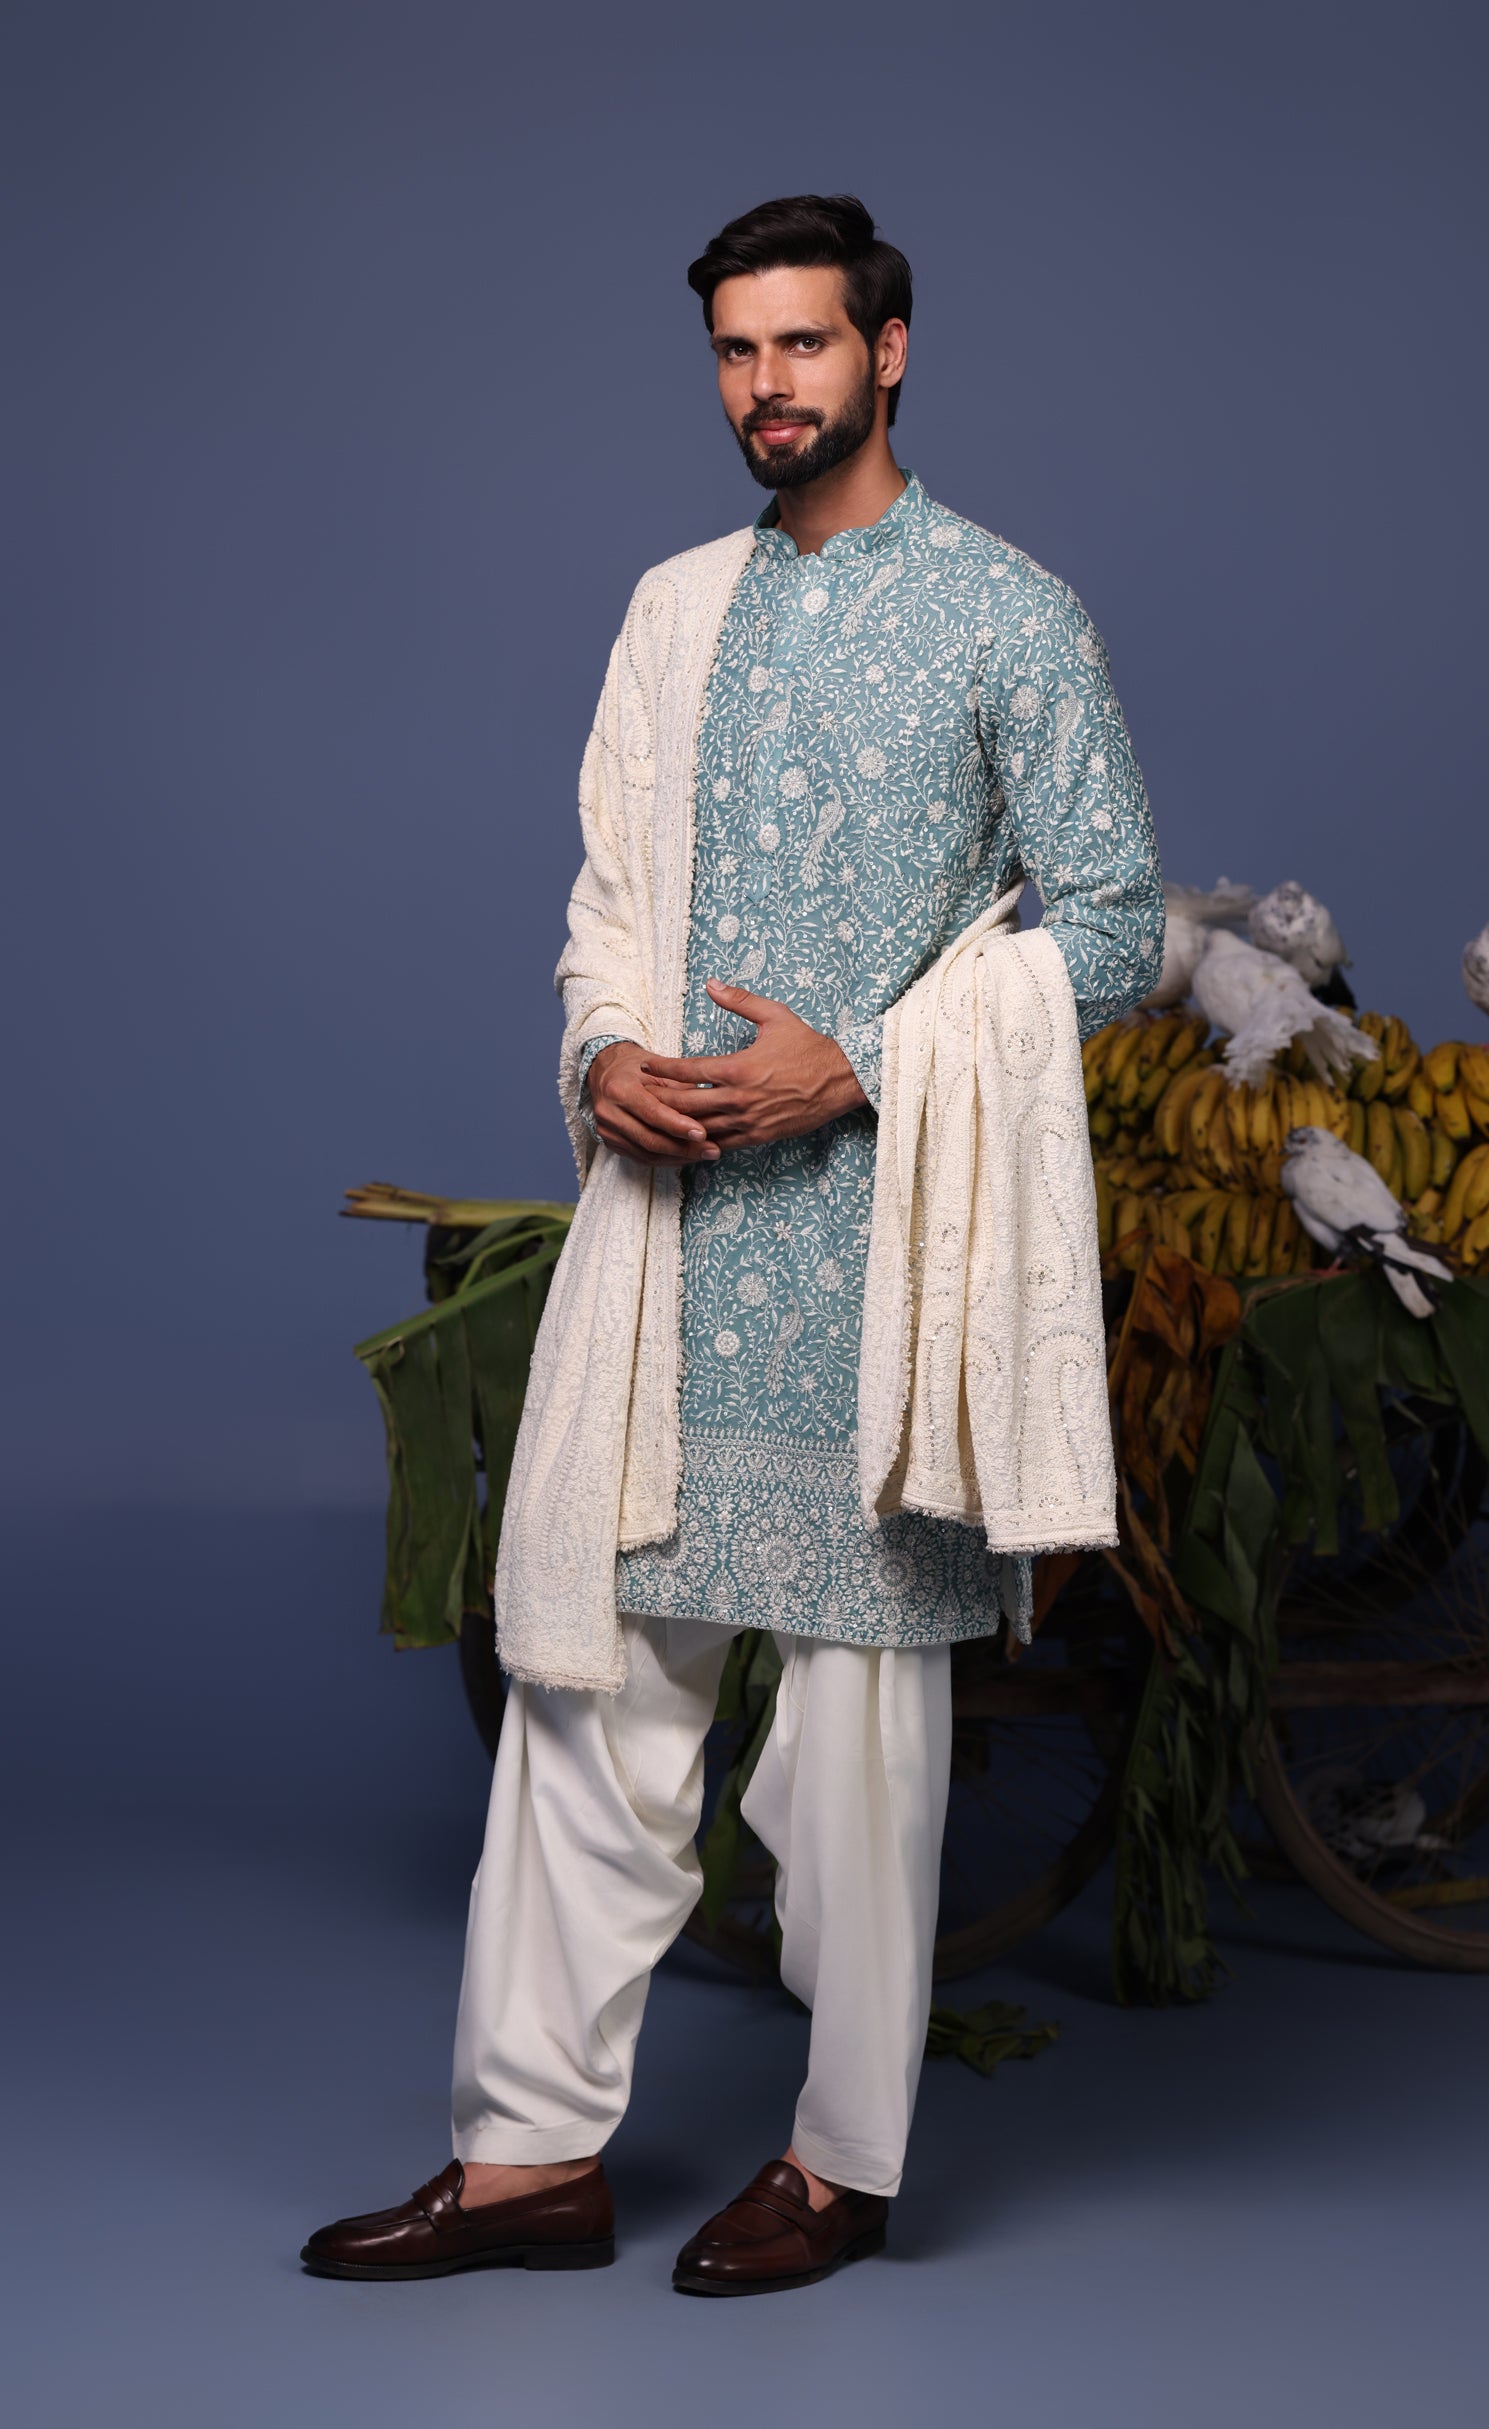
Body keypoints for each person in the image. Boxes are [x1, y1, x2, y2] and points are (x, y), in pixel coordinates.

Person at [302, 193, 1163, 2297]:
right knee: (585, 1695)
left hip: (881, 1259)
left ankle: (840, 2165)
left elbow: (1116, 925)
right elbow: (607, 897)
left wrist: (857, 1063)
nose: (767, 385)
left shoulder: (1010, 615)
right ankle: (530, 2160)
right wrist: (606, 1054)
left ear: (890, 352)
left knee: (860, 1755)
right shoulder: (674, 609)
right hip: (675, 1250)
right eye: (736, 351)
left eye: (804, 344)